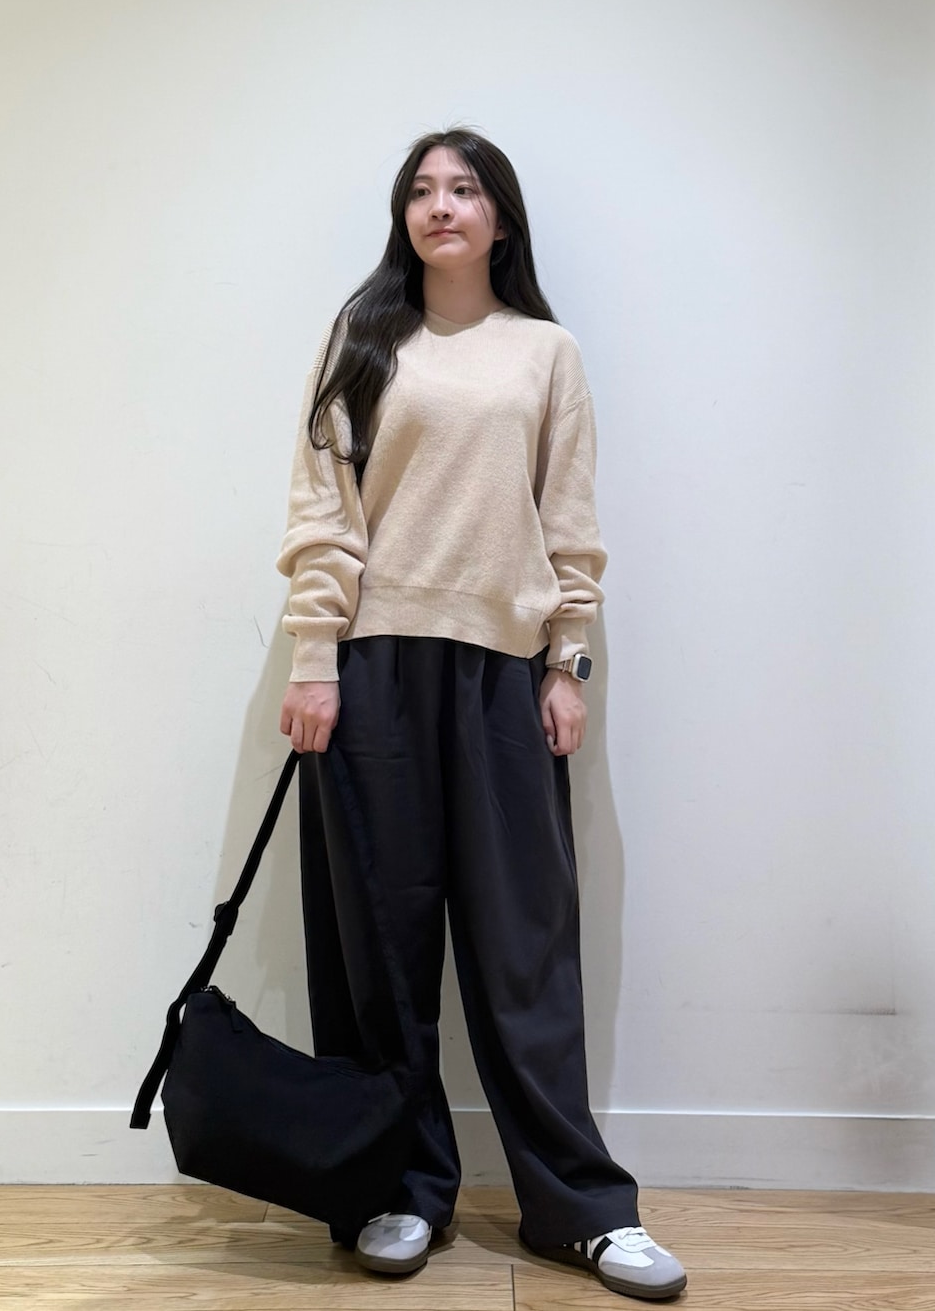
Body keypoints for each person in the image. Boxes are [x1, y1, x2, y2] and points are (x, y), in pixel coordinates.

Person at [276, 127, 687, 1301]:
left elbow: (570, 521)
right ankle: (398, 1189)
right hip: (372, 670)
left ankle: (583, 1210)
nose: (440, 205)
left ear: (500, 216)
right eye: (421, 189)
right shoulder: (363, 338)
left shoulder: (545, 352)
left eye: (464, 188)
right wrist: (314, 657)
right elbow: (322, 509)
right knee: (381, 949)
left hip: (504, 672)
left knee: (524, 949)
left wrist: (568, 663)